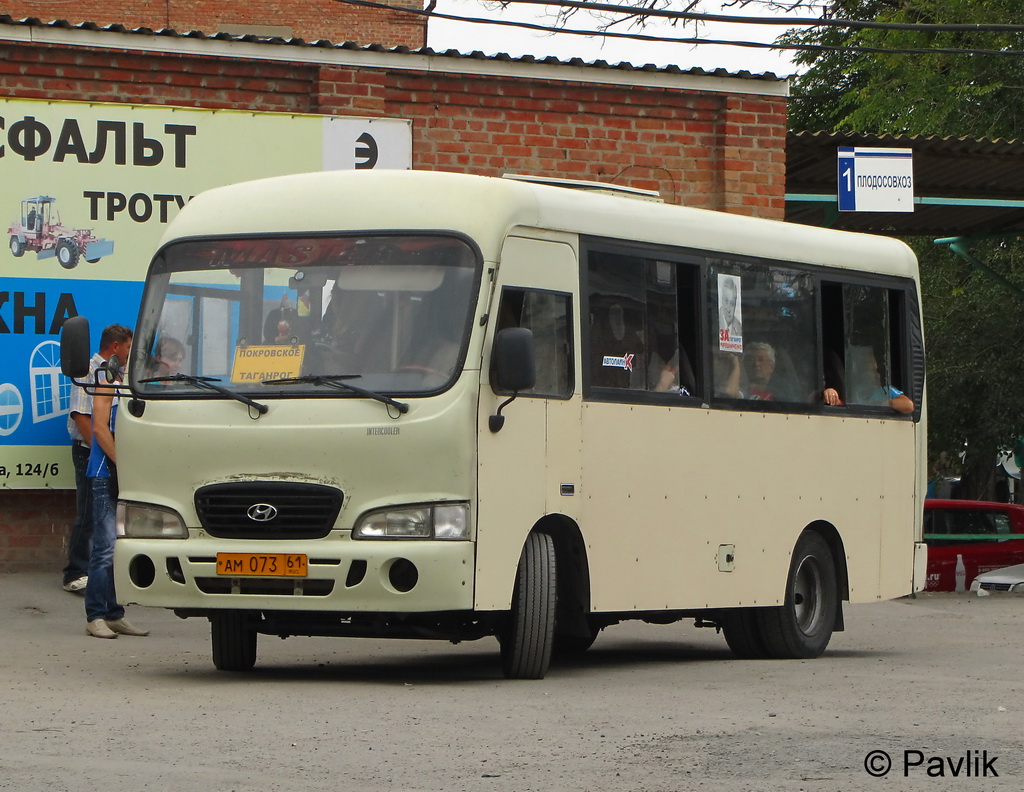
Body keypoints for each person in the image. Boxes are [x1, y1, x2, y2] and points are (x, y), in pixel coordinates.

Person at [84, 337, 149, 639]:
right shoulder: (106, 382)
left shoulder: (125, 383)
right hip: (104, 473)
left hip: (126, 473)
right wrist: (122, 464)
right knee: (105, 546)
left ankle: (114, 613)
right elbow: (99, 427)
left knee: (119, 547)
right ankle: (95, 615)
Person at [62, 324, 133, 593]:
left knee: (109, 515)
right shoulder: (91, 371)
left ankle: (103, 574)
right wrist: (101, 452)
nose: (129, 352)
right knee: (89, 513)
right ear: (115, 346)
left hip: (114, 452)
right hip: (91, 451)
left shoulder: (122, 374)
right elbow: (82, 418)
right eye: (127, 347)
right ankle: (75, 572)